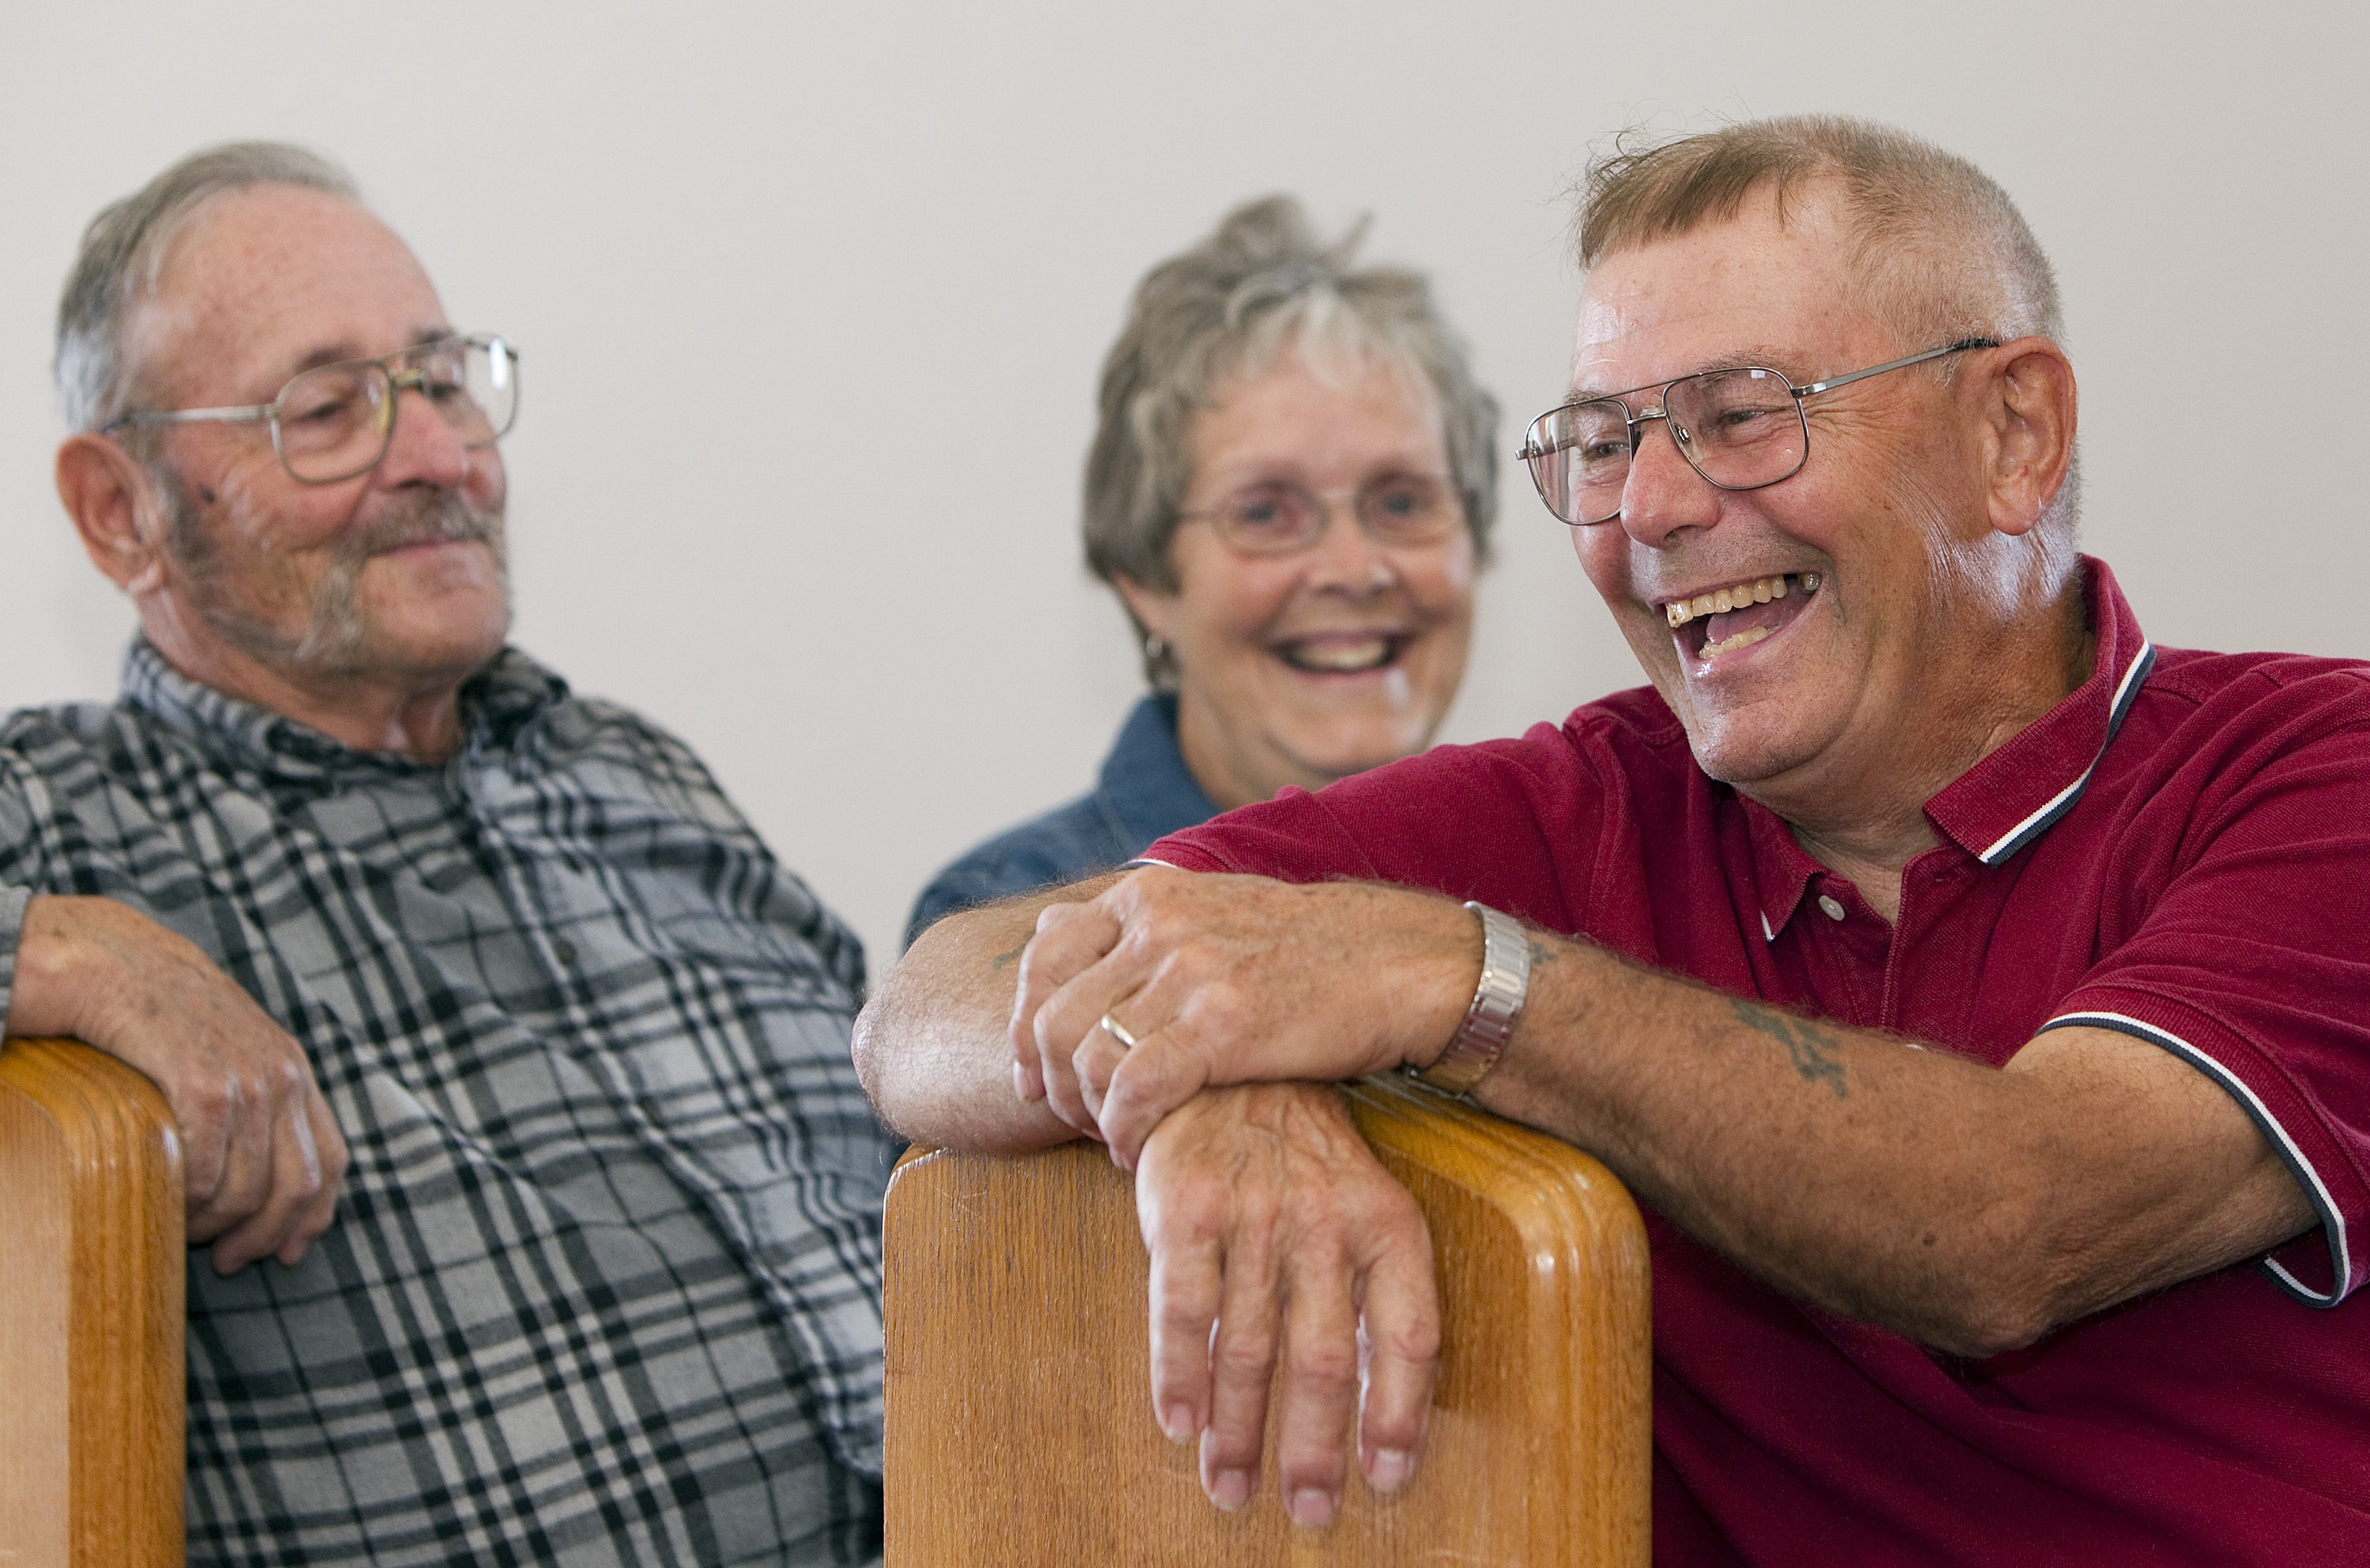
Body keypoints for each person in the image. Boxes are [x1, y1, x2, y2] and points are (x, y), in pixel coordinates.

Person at [856, 115, 2370, 1562]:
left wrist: (1463, 979)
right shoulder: (1586, 800)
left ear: (2014, 434)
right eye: (1600, 441)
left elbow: (2012, 1223)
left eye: (1738, 418)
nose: (1645, 508)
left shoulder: (2314, 772)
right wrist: (1208, 1091)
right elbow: (929, 1003)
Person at [16, 143, 890, 1566]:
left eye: (438, 379)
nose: (439, 456)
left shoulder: (637, 775)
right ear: (123, 512)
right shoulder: (63, 824)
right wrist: (67, 950)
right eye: (328, 408)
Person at [903, 196, 1496, 947]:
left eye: (1403, 500)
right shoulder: (1016, 921)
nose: (1353, 568)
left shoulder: (1563, 887)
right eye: (1265, 513)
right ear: (1144, 576)